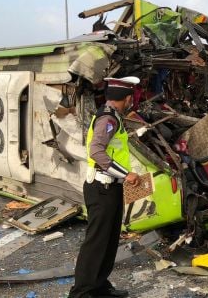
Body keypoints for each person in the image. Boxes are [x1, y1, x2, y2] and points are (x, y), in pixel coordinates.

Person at [69, 77, 141, 298]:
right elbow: (96, 151)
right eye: (130, 97)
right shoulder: (108, 119)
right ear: (126, 97)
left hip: (110, 188)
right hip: (102, 188)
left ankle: (99, 286)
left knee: (109, 240)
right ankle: (81, 292)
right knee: (97, 242)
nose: (131, 101)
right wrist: (126, 174)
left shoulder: (112, 117)